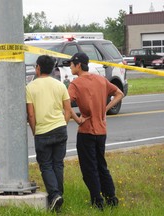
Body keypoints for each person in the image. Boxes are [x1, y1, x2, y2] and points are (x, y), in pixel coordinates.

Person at [67, 52, 124, 210]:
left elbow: (65, 103)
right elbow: (119, 93)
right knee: (101, 165)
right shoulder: (101, 79)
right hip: (101, 131)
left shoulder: (76, 84)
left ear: (78, 65)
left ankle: (97, 200)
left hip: (86, 131)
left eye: (71, 64)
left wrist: (77, 119)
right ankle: (111, 197)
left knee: (89, 167)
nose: (70, 67)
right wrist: (105, 109)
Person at [26, 55, 72, 212]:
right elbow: (68, 109)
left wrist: (35, 130)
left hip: (42, 131)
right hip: (60, 128)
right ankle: (58, 195)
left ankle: (54, 195)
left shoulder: (30, 87)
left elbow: (30, 115)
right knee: (58, 164)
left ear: (38, 67)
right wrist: (63, 124)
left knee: (45, 165)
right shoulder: (60, 85)